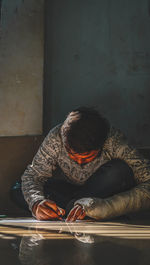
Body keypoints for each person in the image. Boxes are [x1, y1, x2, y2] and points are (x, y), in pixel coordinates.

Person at [21, 107, 150, 221]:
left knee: (119, 171)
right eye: (73, 155)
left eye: (88, 157)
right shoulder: (56, 137)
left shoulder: (113, 140)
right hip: (70, 191)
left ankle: (79, 209)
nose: (79, 162)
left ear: (100, 146)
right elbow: (33, 175)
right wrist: (36, 202)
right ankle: (75, 208)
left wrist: (104, 207)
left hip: (102, 192)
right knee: (17, 189)